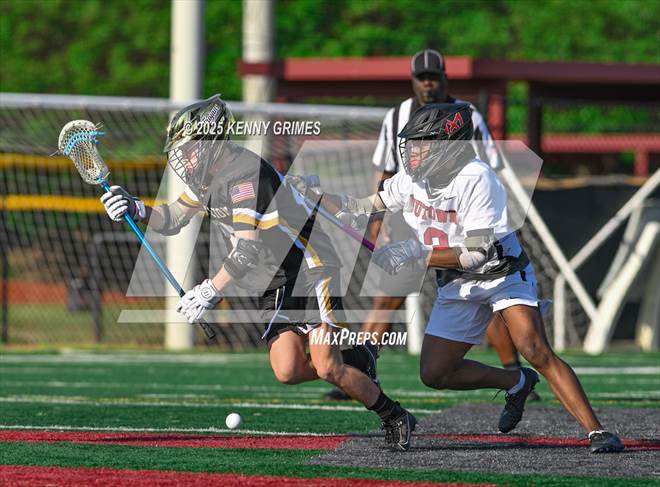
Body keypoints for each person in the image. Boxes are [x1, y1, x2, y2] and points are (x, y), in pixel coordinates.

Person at [100, 95, 417, 451]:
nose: (183, 159)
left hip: (309, 269)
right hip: (274, 279)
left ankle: (394, 415)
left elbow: (246, 251)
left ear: (210, 143)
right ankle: (358, 356)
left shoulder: (243, 175)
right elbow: (172, 217)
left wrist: (209, 291)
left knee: (328, 367)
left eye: (188, 150)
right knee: (288, 370)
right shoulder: (207, 176)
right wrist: (134, 206)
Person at [324, 102, 624, 453]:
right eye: (413, 143)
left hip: (501, 274)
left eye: (424, 143)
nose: (414, 152)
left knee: (534, 348)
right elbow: (364, 207)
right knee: (435, 373)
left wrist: (413, 254)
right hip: (457, 282)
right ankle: (516, 381)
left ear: (450, 145)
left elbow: (476, 254)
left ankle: (598, 431)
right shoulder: (412, 179)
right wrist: (318, 198)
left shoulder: (478, 178)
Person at [324, 48, 538, 401]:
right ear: (413, 80)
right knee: (388, 298)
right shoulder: (397, 117)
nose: (428, 83)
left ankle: (514, 373)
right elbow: (387, 172)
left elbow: (489, 166)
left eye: (433, 77)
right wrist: (377, 218)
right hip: (413, 214)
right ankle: (360, 375)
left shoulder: (467, 116)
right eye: (422, 78)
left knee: (486, 292)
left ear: (444, 78)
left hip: (461, 216)